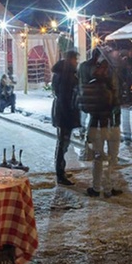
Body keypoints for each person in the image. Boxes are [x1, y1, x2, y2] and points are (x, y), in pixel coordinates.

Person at [80, 60, 122, 197]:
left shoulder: (91, 86)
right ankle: (109, 187)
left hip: (98, 125)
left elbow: (84, 107)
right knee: (112, 157)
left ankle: (97, 188)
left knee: (99, 157)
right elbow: (117, 106)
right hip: (113, 124)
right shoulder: (112, 86)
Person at [52, 50, 80, 185]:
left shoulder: (63, 73)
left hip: (63, 112)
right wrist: (69, 114)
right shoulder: (66, 74)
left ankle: (61, 170)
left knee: (63, 144)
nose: (77, 62)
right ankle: (60, 174)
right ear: (71, 59)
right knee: (63, 144)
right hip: (65, 114)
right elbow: (65, 96)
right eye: (75, 60)